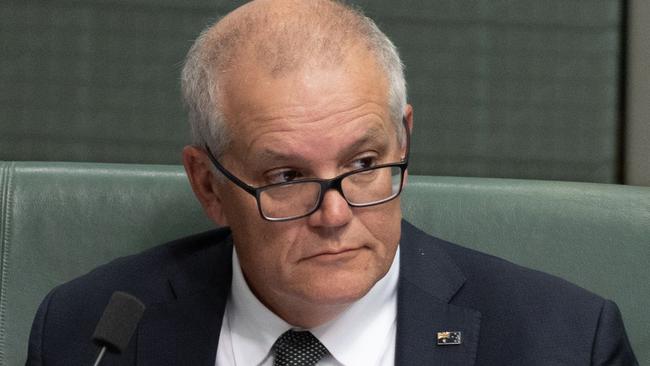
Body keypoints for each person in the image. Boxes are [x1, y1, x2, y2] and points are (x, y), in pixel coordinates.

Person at [27, 0, 638, 365]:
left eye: (365, 165)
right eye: (287, 176)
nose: (335, 214)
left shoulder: (561, 343)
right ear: (209, 186)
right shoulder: (90, 333)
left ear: (404, 141)